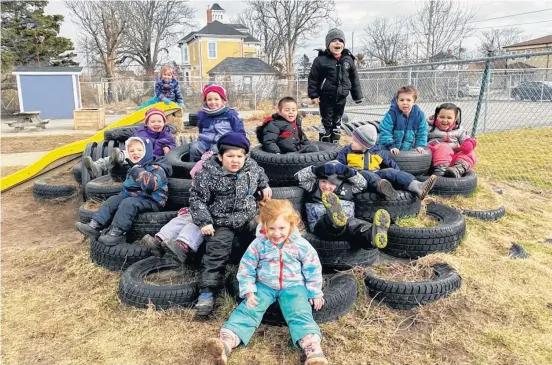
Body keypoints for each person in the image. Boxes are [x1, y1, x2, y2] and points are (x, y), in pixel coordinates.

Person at [206, 199, 328, 365]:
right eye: (271, 228)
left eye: (282, 228)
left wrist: (314, 291)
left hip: (294, 287)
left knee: (300, 312)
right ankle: (227, 342)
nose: (276, 233)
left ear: (291, 225)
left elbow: (312, 267)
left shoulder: (301, 245)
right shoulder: (258, 245)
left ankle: (313, 350)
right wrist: (249, 291)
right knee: (249, 309)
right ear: (263, 225)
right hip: (264, 285)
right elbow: (246, 268)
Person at [189, 132, 272, 316]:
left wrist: (265, 186)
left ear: (246, 156)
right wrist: (204, 222)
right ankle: (207, 292)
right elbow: (197, 199)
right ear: (220, 156)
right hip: (221, 221)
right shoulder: (208, 174)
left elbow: (261, 175)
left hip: (248, 217)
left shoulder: (252, 167)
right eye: (230, 156)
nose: (235, 160)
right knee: (217, 251)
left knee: (267, 239)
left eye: (239, 156)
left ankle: (271, 276)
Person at [75, 137, 171, 246]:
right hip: (134, 197)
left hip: (152, 200)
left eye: (140, 150)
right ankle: (95, 225)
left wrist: (136, 170)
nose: (136, 153)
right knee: (113, 200)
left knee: (128, 203)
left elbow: (149, 186)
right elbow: (127, 187)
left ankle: (117, 232)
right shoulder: (133, 167)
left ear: (147, 151)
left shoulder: (156, 168)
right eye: (131, 151)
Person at [295, 162, 390, 249]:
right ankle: (333, 218)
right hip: (321, 226)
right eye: (323, 181)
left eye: (332, 183)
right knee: (331, 222)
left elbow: (362, 184)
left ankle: (372, 236)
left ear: (339, 184)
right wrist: (316, 170)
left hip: (348, 224)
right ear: (318, 180)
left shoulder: (348, 189)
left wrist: (349, 172)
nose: (327, 186)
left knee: (357, 226)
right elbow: (298, 177)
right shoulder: (313, 187)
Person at [338, 122, 437, 200]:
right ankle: (382, 188)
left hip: (376, 175)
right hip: (358, 178)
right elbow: (338, 165)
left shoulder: (376, 152)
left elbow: (392, 165)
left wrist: (395, 176)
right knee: (366, 173)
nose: (351, 142)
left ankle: (417, 186)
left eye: (355, 141)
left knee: (389, 172)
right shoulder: (347, 150)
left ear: (365, 144)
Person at [83, 107, 176, 178]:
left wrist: (169, 148)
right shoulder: (141, 132)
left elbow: (174, 147)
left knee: (126, 156)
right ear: (147, 123)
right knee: (124, 154)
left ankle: (118, 158)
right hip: (137, 156)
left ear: (164, 122)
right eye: (153, 121)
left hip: (154, 160)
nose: (156, 124)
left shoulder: (167, 135)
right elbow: (131, 141)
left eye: (159, 121)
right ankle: (97, 166)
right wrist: (130, 147)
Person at [308, 28, 364, 143]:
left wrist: (357, 96)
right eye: (334, 40)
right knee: (327, 121)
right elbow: (313, 79)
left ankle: (335, 142)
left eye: (340, 41)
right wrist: (314, 95)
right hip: (326, 97)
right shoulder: (321, 60)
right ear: (328, 44)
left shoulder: (348, 59)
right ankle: (325, 142)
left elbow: (354, 79)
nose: (337, 43)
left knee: (337, 121)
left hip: (341, 97)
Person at [189, 83, 246, 162]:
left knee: (215, 150)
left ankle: (215, 169)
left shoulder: (230, 114)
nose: (213, 102)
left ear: (223, 101)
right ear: (205, 101)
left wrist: (240, 144)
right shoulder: (203, 115)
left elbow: (239, 130)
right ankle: (193, 168)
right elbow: (201, 129)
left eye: (216, 99)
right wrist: (200, 139)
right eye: (209, 99)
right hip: (205, 142)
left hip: (223, 143)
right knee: (195, 147)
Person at [427, 103, 477, 177]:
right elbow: (421, 138)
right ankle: (440, 171)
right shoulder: (430, 128)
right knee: (444, 147)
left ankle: (456, 169)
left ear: (455, 118)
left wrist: (469, 142)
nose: (445, 120)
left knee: (469, 153)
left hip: (452, 158)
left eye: (449, 118)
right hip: (434, 159)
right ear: (437, 116)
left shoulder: (459, 129)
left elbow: (466, 138)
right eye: (442, 117)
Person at [378, 85, 428, 155]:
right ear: (397, 101)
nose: (405, 102)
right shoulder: (391, 115)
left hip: (408, 150)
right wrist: (391, 146)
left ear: (414, 101)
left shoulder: (419, 116)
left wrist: (419, 146)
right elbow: (385, 131)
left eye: (408, 100)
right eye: (401, 100)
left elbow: (422, 132)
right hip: (390, 148)